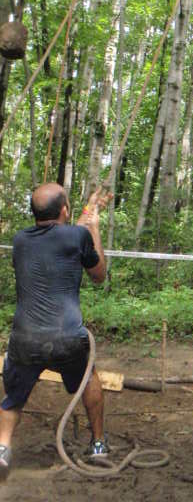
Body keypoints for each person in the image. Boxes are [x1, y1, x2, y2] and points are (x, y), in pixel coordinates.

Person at [0, 183, 111, 479]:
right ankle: (98, 444)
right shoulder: (78, 236)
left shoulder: (20, 240)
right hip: (67, 338)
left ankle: (2, 448)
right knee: (89, 380)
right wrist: (94, 225)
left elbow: (64, 237)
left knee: (13, 397)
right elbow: (99, 274)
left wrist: (88, 210)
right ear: (64, 210)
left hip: (25, 338)